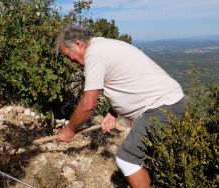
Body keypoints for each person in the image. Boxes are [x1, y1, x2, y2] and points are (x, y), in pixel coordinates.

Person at [55, 24, 185, 188]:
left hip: (162, 107)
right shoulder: (102, 46)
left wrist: (70, 129)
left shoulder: (94, 53)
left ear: (79, 43)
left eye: (68, 55)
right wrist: (113, 112)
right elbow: (125, 80)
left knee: (127, 158)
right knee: (154, 159)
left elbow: (88, 104)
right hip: (169, 104)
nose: (70, 61)